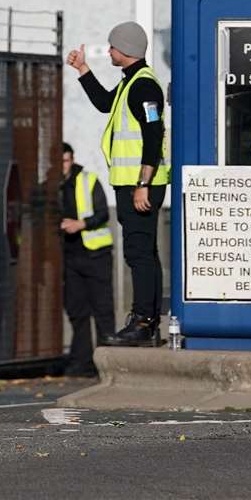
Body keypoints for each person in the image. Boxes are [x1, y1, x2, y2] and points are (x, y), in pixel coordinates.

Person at [67, 21, 169, 347]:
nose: (108, 51)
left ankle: (142, 322)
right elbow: (104, 104)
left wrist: (143, 182)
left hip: (140, 185)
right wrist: (83, 69)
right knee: (144, 254)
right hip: (131, 184)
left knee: (139, 255)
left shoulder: (144, 86)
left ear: (124, 50)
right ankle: (146, 322)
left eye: (111, 47)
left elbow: (155, 134)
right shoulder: (130, 83)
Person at [59, 142, 113, 376]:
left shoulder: (88, 179)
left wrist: (80, 224)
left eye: (67, 160)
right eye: (60, 161)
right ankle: (82, 362)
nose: (64, 165)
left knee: (102, 308)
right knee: (76, 310)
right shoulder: (48, 185)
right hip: (68, 257)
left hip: (95, 253)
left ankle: (107, 362)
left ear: (72, 159)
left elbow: (103, 213)